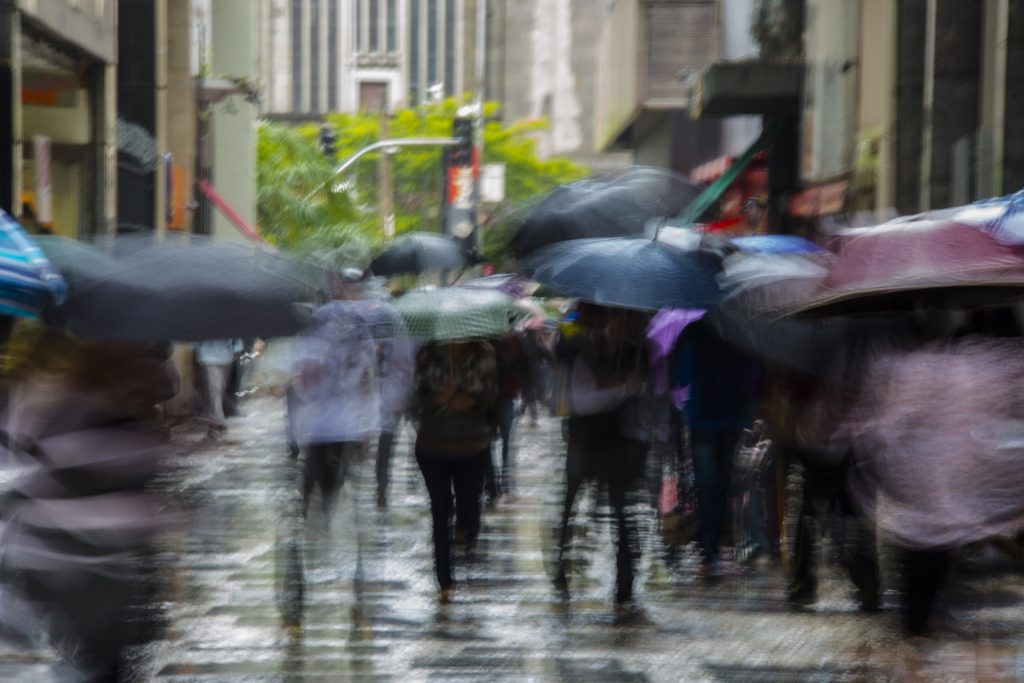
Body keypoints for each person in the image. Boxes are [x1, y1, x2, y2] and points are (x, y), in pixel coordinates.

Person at [0, 324, 178, 680]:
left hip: (82, 563)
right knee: (101, 660)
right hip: (73, 563)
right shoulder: (73, 405)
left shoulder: (94, 405)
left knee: (103, 658)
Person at [553, 304, 649, 604]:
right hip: (583, 438)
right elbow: (578, 398)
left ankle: (625, 578)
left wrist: (622, 382)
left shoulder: (634, 349)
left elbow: (642, 386)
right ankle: (559, 565)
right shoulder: (575, 337)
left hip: (616, 441)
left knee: (620, 512)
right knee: (571, 504)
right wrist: (620, 388)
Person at [670, 318, 759, 578]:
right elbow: (753, 374)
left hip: (703, 421)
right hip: (733, 419)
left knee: (706, 487)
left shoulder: (693, 333)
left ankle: (710, 551)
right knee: (723, 486)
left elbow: (681, 376)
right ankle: (719, 541)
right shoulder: (743, 331)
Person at [411, 339, 498, 602]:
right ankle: (444, 578)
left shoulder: (484, 353)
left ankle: (466, 530)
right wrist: (439, 399)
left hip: (472, 445)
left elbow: (493, 393)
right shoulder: (428, 353)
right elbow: (416, 398)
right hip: (432, 445)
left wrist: (471, 400)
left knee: (469, 504)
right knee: (440, 509)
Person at [291, 300, 379, 520]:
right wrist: (366, 427)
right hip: (345, 426)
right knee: (331, 474)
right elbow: (367, 389)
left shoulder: (314, 349)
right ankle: (323, 511)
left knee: (312, 469)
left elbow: (301, 383)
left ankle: (308, 509)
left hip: (321, 424)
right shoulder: (360, 353)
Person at [195, 338, 242, 436]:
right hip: (209, 357)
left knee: (219, 389)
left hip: (224, 357)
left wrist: (236, 350)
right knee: (215, 390)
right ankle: (219, 421)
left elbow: (237, 339)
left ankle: (213, 418)